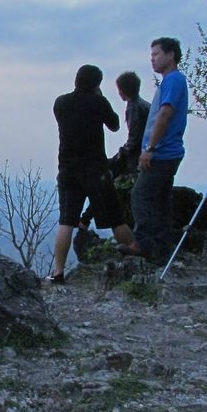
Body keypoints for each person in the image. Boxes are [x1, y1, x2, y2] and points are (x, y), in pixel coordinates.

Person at [48, 65, 141, 283]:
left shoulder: (60, 103)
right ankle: (136, 253)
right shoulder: (98, 102)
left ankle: (58, 272)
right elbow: (115, 125)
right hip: (96, 170)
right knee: (115, 217)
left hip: (68, 170)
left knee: (66, 221)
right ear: (97, 84)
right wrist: (100, 97)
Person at [125, 37, 188, 262]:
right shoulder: (173, 81)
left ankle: (143, 244)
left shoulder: (173, 81)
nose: (152, 59)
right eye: (151, 55)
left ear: (170, 55)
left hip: (162, 152)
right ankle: (161, 251)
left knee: (141, 195)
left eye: (156, 54)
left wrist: (150, 147)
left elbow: (165, 114)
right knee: (160, 202)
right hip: (168, 152)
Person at [79, 71, 151, 229]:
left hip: (135, 158)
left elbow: (134, 140)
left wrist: (121, 154)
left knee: (104, 178)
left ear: (122, 90)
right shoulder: (143, 104)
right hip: (143, 154)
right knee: (104, 177)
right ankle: (85, 220)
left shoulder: (134, 107)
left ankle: (85, 220)